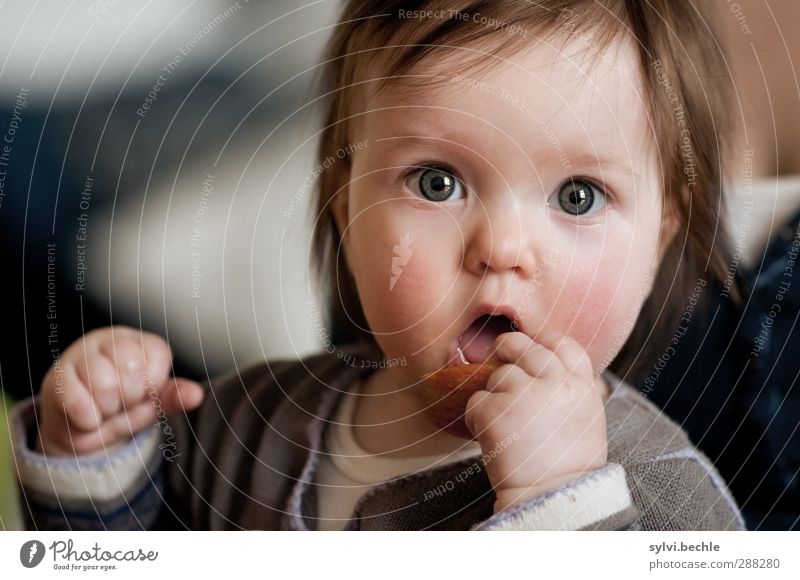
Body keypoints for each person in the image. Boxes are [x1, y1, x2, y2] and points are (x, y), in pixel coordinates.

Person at [12, 0, 747, 530]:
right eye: (437, 183)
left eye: (579, 196)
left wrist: (560, 503)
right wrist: (88, 460)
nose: (502, 248)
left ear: (658, 241)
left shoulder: (665, 499)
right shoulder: (250, 418)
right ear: (343, 206)